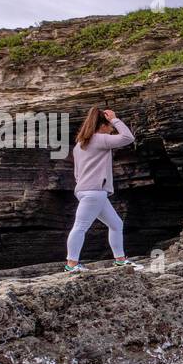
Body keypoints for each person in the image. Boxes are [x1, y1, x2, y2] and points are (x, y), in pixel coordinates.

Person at [64, 106, 139, 271]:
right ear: (102, 125)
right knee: (80, 226)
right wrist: (115, 119)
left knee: (116, 224)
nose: (112, 129)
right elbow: (128, 137)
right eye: (110, 126)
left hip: (87, 191)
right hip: (95, 192)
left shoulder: (79, 145)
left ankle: (120, 260)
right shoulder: (100, 139)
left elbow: (77, 174)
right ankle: (71, 265)